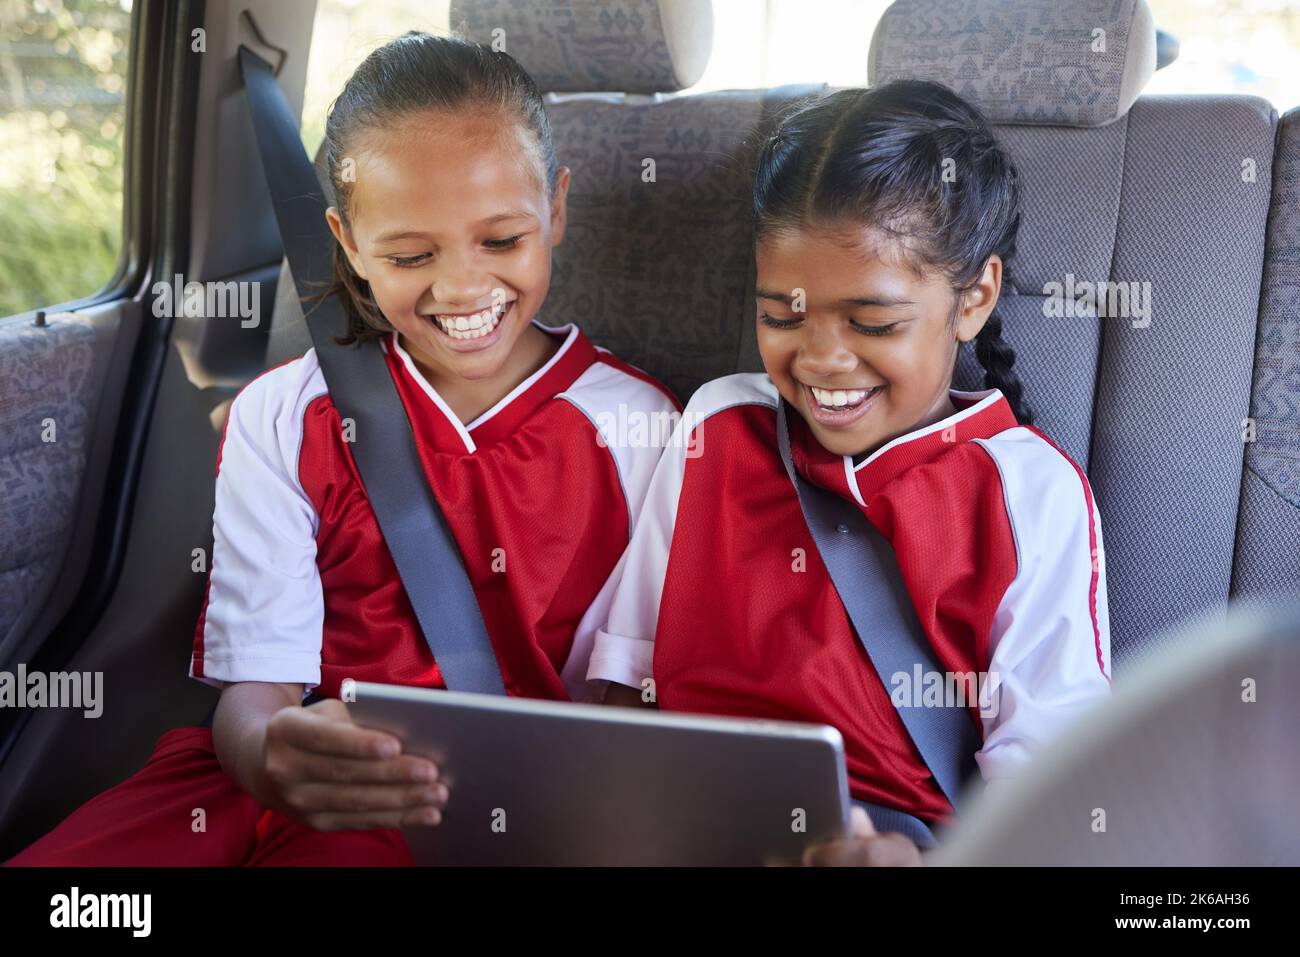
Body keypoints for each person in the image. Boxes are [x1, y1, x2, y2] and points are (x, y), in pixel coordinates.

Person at [9, 32, 677, 867]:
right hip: (284, 769)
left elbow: (630, 706)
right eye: (408, 254)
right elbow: (259, 689)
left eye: (502, 240)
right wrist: (269, 754)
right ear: (350, 244)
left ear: (558, 209)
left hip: (506, 803)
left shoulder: (644, 429)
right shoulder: (283, 416)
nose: (463, 287)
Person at [591, 80, 1112, 865]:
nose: (823, 360)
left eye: (873, 322)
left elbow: (1049, 794)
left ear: (973, 298)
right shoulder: (718, 426)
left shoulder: (1026, 492)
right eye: (782, 316)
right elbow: (623, 685)